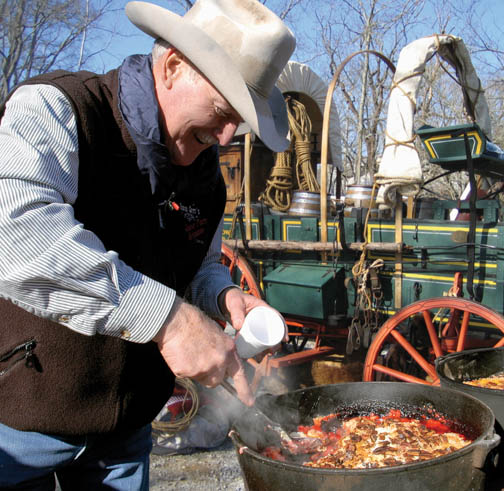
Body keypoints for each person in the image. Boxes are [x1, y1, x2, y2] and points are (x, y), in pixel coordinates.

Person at [0, 0, 295, 488]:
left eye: (237, 124)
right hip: (22, 421)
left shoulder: (206, 178)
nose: (224, 137)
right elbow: (17, 237)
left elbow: (196, 265)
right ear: (175, 66)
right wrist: (170, 321)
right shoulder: (58, 109)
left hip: (127, 433)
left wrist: (222, 294)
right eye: (223, 111)